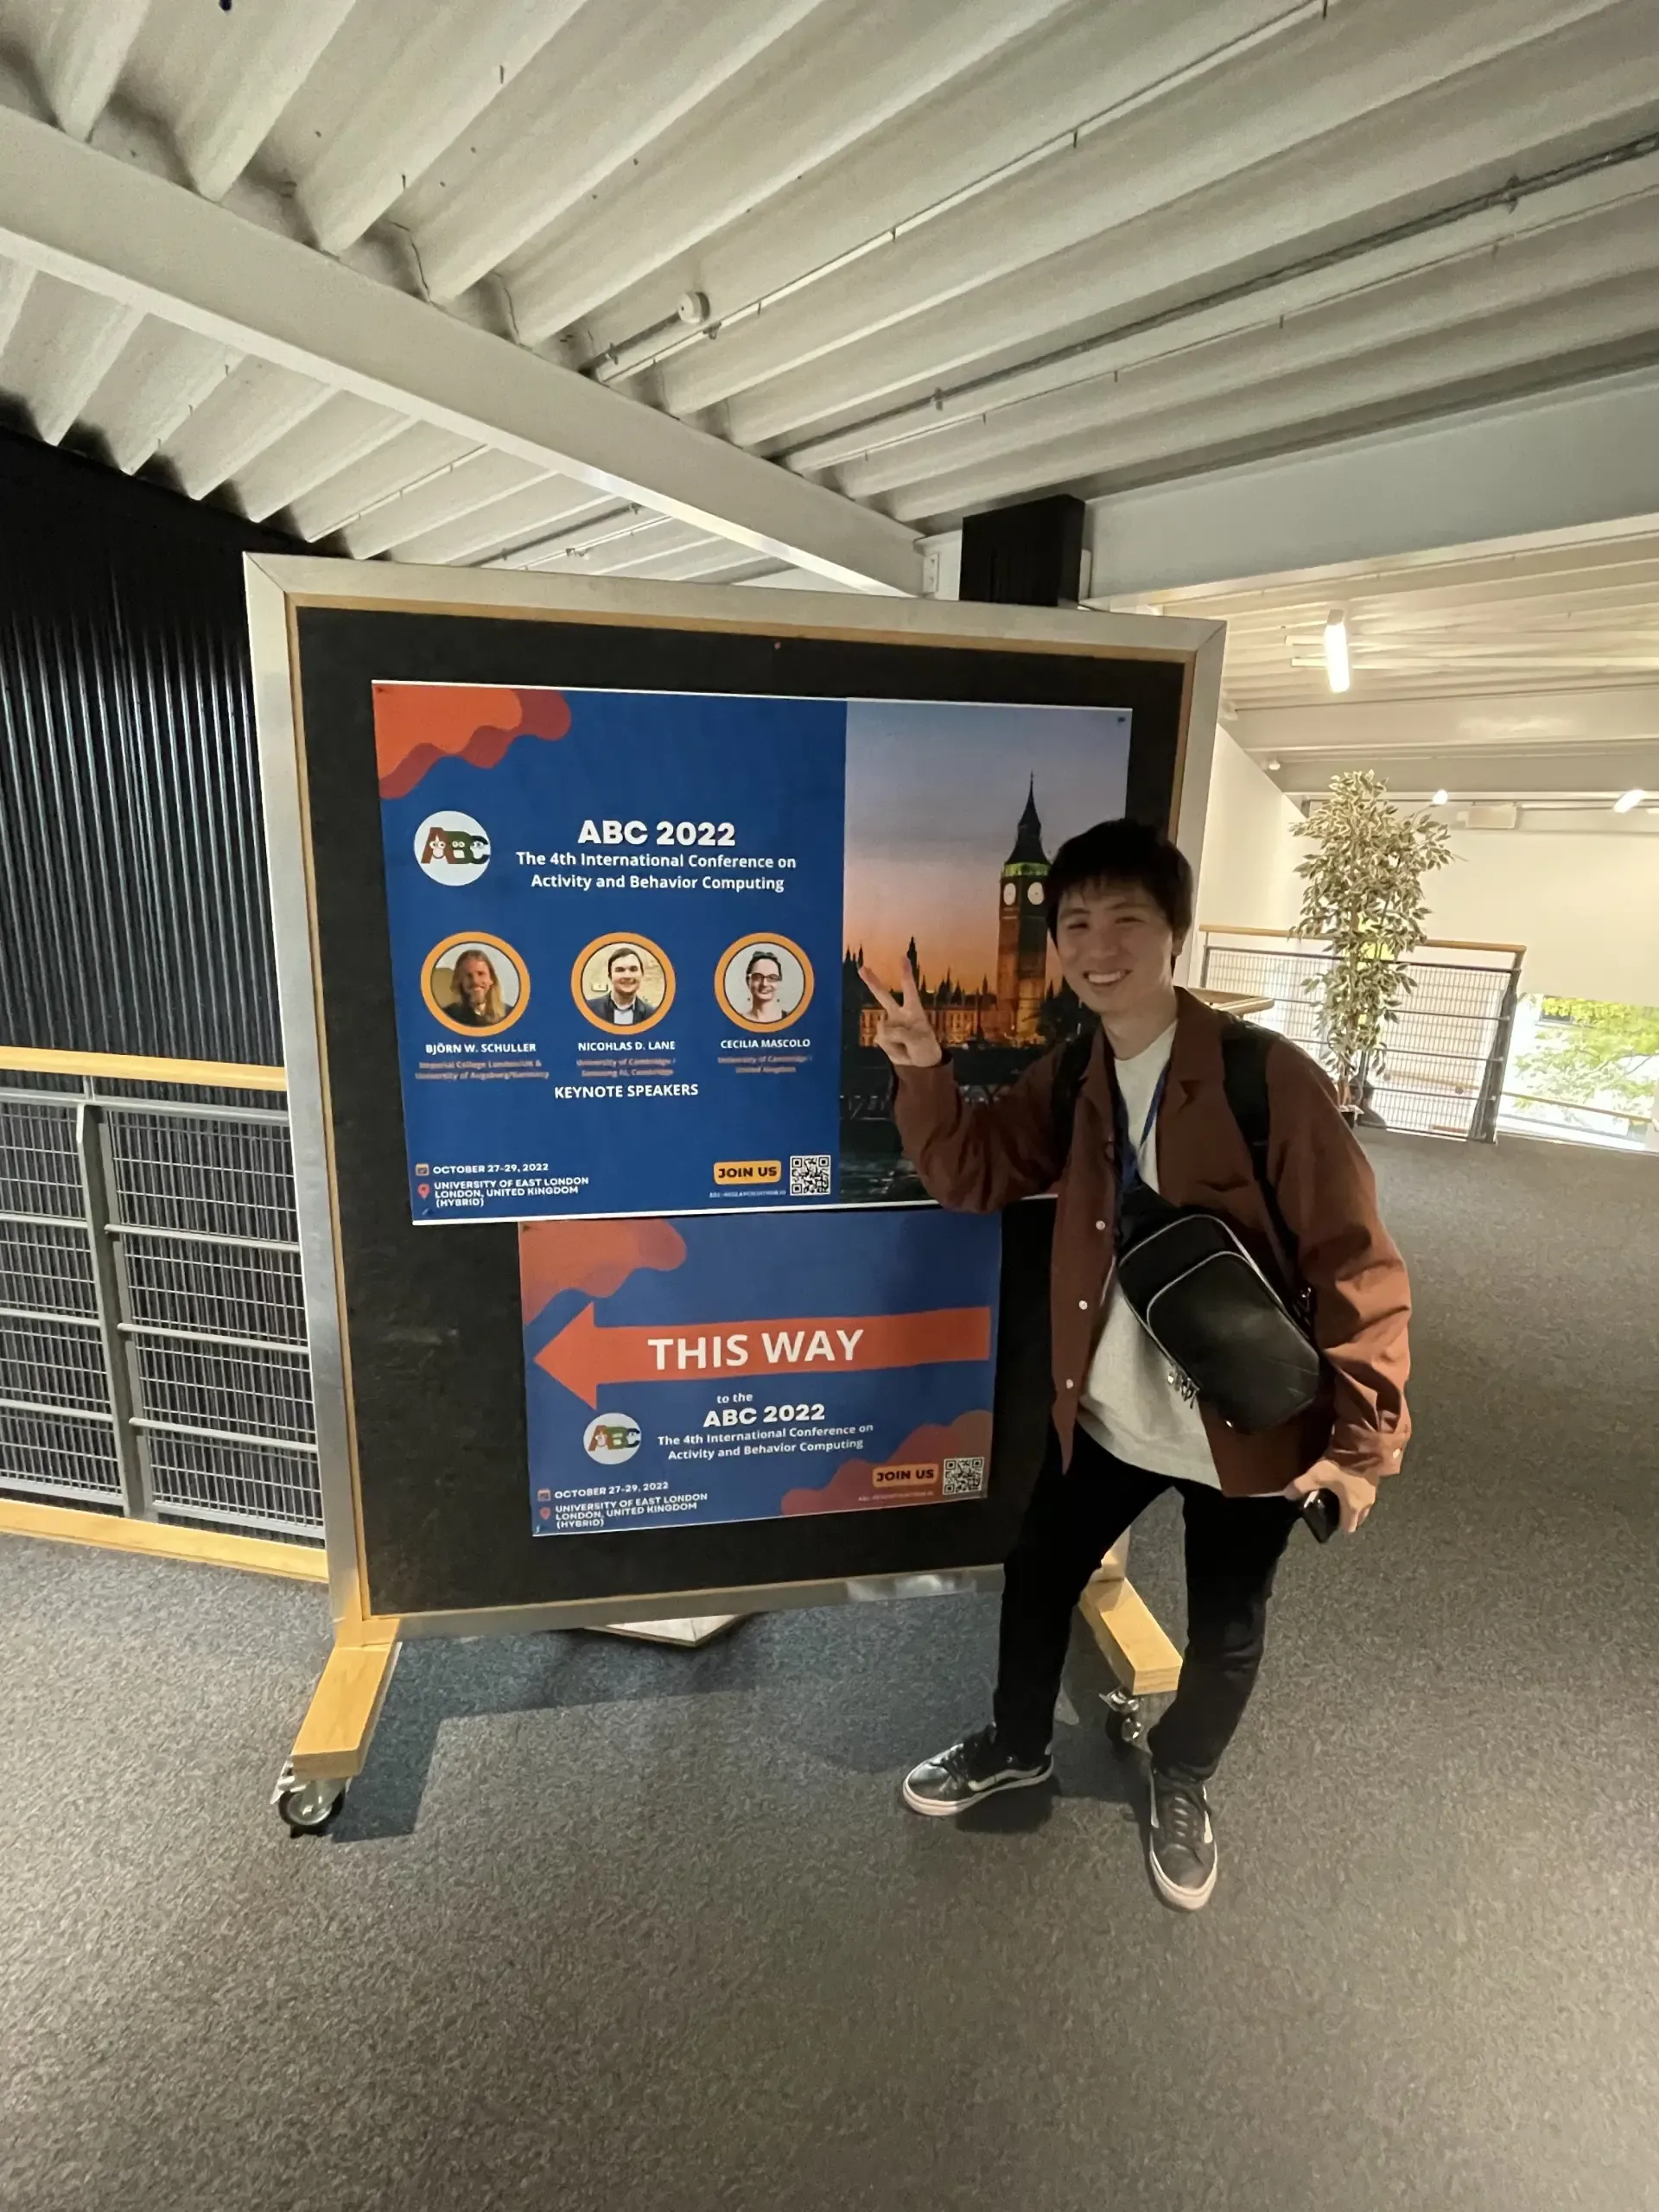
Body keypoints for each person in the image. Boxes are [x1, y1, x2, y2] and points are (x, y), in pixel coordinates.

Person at [858, 818, 1410, 1911]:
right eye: (1075, 924)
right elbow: (973, 1174)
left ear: (1175, 933)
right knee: (1037, 1573)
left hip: (1247, 1423)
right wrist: (922, 1064)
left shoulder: (1266, 1079)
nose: (1098, 946)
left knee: (1226, 1623)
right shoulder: (1076, 1072)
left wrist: (1361, 1445)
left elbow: (1357, 1262)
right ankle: (1018, 1743)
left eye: (1127, 920)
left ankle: (1184, 1775)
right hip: (1109, 1409)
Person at [586, 944, 658, 1026]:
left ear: (642, 974)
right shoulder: (589, 1009)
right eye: (620, 970)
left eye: (633, 969)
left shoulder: (652, 1015)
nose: (627, 976)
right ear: (610, 976)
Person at [446, 947, 507, 1027]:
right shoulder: (448, 1016)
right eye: (469, 975)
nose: (475, 981)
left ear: (491, 978)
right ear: (460, 980)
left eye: (481, 974)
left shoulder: (511, 1014)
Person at [741, 948, 790, 1024]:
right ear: (748, 981)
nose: (764, 984)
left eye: (772, 978)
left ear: (779, 983)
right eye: (758, 977)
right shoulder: (735, 1021)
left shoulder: (792, 1019)